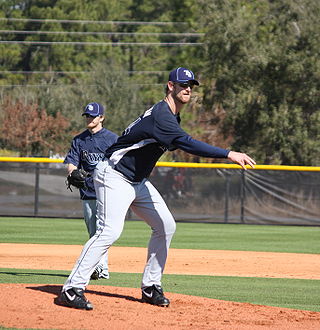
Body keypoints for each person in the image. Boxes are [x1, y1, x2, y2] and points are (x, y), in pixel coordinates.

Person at [58, 67, 256, 310]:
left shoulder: (170, 116)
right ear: (170, 86)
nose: (187, 89)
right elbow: (186, 143)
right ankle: (71, 288)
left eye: (190, 86)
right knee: (109, 231)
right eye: (183, 84)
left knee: (166, 225)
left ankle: (151, 286)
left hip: (136, 181)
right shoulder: (162, 115)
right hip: (115, 177)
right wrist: (228, 153)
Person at [64, 102, 118, 280]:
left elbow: (120, 163)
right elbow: (71, 162)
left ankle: (101, 268)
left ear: (101, 117)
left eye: (93, 116)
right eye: (87, 115)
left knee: (102, 232)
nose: (89, 118)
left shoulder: (112, 139)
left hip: (107, 192)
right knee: (93, 232)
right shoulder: (79, 140)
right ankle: (99, 268)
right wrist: (72, 173)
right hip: (87, 193)